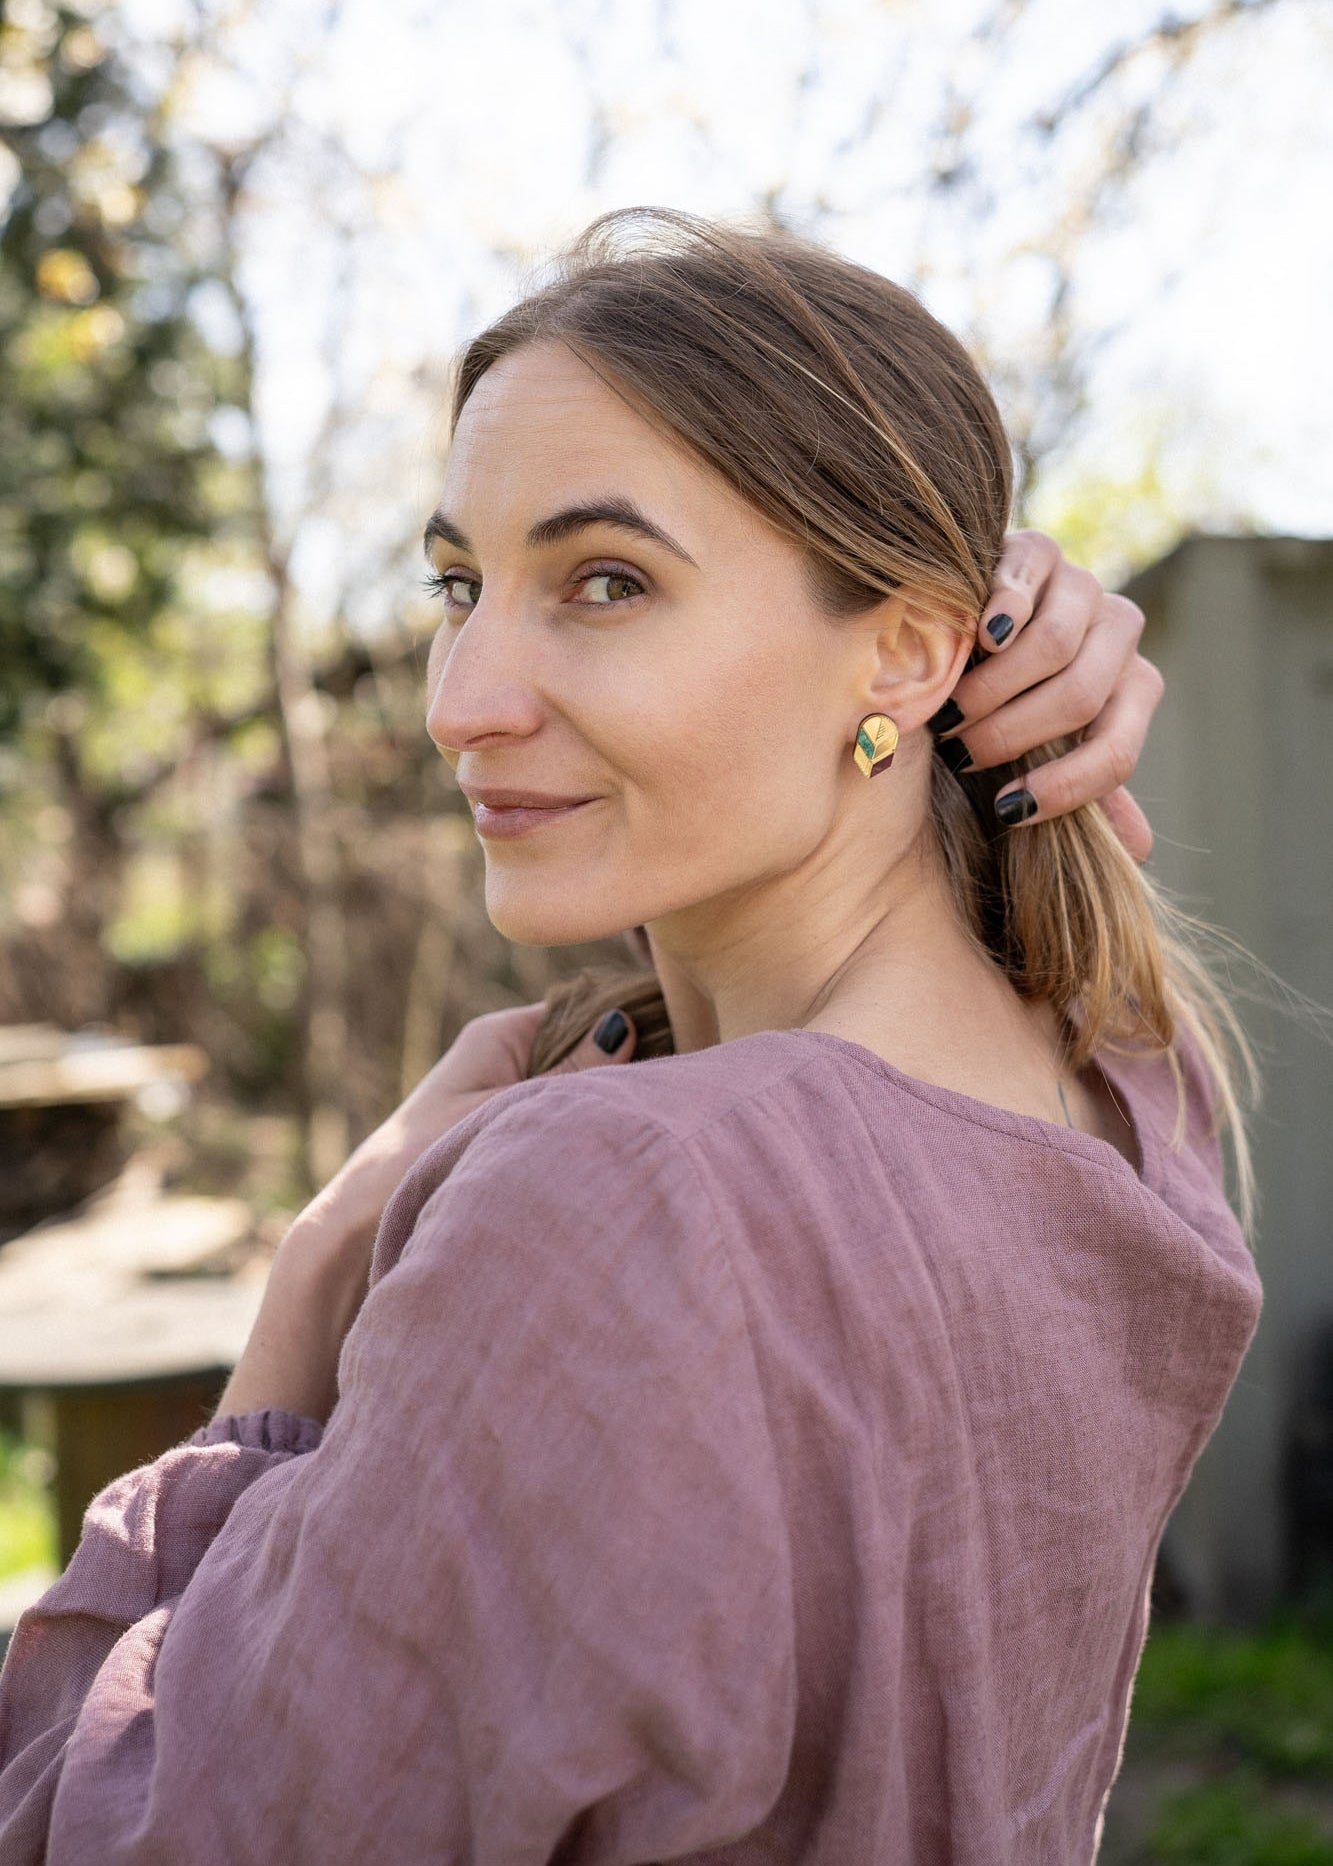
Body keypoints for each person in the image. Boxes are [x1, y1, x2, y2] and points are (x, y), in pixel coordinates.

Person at [0, 208, 1261, 1865]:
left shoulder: (616, 1196)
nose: (463, 697)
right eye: (463, 582)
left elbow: (122, 1825)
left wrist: (308, 1293)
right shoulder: (1124, 1099)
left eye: (605, 581)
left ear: (907, 643)